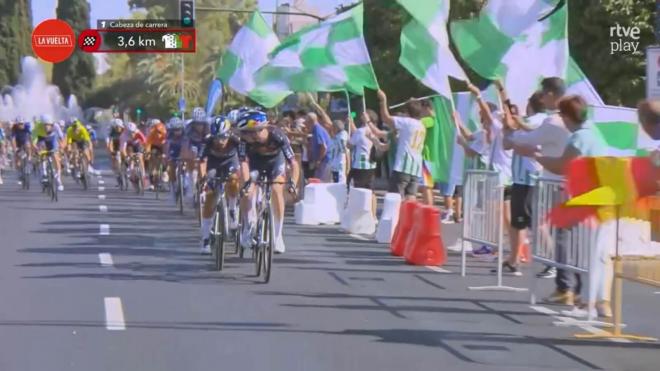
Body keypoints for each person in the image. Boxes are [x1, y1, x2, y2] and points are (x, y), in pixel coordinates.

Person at [519, 95, 611, 315]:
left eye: (562, 115)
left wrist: (538, 156)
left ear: (568, 116)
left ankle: (590, 299)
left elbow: (562, 166)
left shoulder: (580, 137)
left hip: (589, 199)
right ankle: (600, 301)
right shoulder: (595, 133)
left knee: (586, 249)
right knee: (599, 252)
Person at [507, 77, 572, 280]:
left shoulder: (552, 120)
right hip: (546, 180)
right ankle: (562, 282)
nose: (542, 98)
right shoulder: (558, 119)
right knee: (531, 224)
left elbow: (526, 140)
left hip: (540, 180)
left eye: (544, 94)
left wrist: (511, 132)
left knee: (541, 225)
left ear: (551, 95)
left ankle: (558, 272)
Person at [497, 86, 546, 276]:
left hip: (528, 179)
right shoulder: (544, 121)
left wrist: (502, 93)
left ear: (530, 105)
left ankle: (551, 260)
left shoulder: (532, 122)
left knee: (533, 223)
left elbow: (507, 142)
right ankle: (513, 260)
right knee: (520, 223)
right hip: (524, 178)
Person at [236, 110, 300, 254]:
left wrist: (293, 184)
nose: (245, 136)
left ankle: (277, 236)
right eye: (244, 133)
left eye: (248, 132)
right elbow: (244, 164)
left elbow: (294, 164)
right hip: (255, 164)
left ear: (258, 130)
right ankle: (248, 226)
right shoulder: (244, 141)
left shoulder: (278, 136)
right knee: (248, 192)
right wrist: (246, 183)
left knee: (277, 189)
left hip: (275, 163)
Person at [198, 118, 241, 254]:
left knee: (233, 180)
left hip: (231, 162)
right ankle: (205, 239)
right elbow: (202, 162)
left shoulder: (236, 141)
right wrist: (203, 178)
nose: (220, 141)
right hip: (213, 164)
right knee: (210, 197)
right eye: (217, 138)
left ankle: (233, 210)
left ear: (228, 134)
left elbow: (245, 160)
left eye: (223, 137)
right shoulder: (207, 141)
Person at [377, 90, 426, 200]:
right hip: (416, 167)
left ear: (407, 112)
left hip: (403, 166)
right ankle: (409, 217)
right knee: (411, 197)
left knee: (394, 197)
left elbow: (385, 117)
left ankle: (397, 217)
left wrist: (383, 100)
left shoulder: (407, 122)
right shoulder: (421, 126)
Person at [182, 107, 211, 201]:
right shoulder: (188, 127)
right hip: (193, 144)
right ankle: (192, 182)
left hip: (205, 143)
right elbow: (185, 144)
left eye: (201, 124)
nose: (199, 126)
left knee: (205, 161)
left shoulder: (208, 127)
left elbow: (211, 143)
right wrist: (186, 156)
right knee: (192, 158)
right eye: (196, 124)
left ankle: (204, 185)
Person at [33, 114, 64, 191]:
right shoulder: (37, 127)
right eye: (45, 125)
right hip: (42, 139)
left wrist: (61, 147)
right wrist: (36, 149)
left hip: (52, 139)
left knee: (55, 156)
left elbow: (61, 138)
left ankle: (58, 179)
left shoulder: (56, 126)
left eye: (49, 125)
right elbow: (33, 142)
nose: (47, 127)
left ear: (52, 124)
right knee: (42, 152)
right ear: (42, 124)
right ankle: (44, 173)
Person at [305, 112, 332, 181]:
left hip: (325, 161)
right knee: (317, 180)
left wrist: (319, 160)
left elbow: (324, 147)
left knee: (321, 182)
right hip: (322, 161)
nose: (305, 124)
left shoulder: (318, 130)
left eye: (306, 122)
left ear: (310, 121)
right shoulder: (315, 130)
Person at [120, 122, 147, 189]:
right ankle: (132, 173)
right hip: (129, 146)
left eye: (133, 132)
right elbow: (123, 149)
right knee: (130, 156)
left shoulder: (138, 132)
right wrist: (127, 157)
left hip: (137, 144)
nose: (132, 134)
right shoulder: (123, 136)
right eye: (130, 133)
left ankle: (143, 175)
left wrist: (145, 151)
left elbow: (145, 142)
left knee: (140, 157)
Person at [164, 117, 186, 200]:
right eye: (175, 130)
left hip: (184, 148)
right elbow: (167, 147)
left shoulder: (186, 133)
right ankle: (173, 186)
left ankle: (187, 181)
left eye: (179, 129)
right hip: (174, 149)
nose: (177, 132)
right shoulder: (169, 135)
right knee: (171, 167)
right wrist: (166, 156)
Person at [145, 118, 168, 190]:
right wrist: (148, 153)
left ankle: (164, 175)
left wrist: (166, 154)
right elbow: (148, 144)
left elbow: (168, 144)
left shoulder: (165, 132)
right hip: (154, 146)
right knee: (152, 162)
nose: (158, 134)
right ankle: (152, 183)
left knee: (165, 160)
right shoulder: (151, 133)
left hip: (164, 146)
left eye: (159, 132)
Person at [11, 117, 33, 185]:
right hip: (18, 143)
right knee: (17, 161)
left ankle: (29, 158)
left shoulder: (27, 127)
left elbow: (31, 136)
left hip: (25, 141)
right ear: (17, 124)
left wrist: (32, 145)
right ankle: (20, 174)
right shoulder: (14, 128)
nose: (21, 125)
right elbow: (13, 140)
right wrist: (15, 149)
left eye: (22, 124)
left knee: (27, 145)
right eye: (19, 124)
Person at [107, 118, 125, 185]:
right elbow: (110, 143)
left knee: (124, 153)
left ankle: (126, 164)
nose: (118, 128)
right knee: (114, 159)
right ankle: (117, 174)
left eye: (119, 127)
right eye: (116, 127)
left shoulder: (124, 130)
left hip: (123, 143)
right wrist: (111, 151)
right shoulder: (112, 132)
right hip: (115, 144)